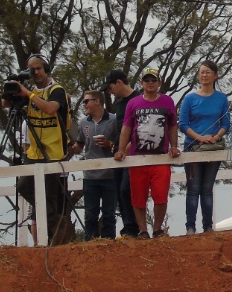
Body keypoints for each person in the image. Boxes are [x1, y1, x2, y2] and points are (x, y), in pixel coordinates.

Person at [115, 67, 181, 238]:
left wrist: (174, 146)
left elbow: (173, 124)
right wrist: (121, 150)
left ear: (159, 83)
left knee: (161, 196)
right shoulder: (133, 103)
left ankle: (158, 229)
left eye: (153, 80)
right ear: (141, 83)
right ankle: (143, 230)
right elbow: (126, 127)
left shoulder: (167, 101)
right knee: (138, 197)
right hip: (138, 158)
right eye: (147, 80)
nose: (150, 83)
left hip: (160, 157)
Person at [179, 60, 231, 234]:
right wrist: (199, 137)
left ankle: (208, 226)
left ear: (216, 75)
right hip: (192, 147)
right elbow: (183, 124)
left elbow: (226, 123)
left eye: (208, 72)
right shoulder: (190, 98)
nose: (204, 75)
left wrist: (215, 137)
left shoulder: (222, 98)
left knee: (207, 188)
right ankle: (190, 227)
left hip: (213, 148)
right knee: (193, 189)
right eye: (201, 72)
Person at [70, 90, 119, 240]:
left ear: (97, 101)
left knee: (109, 213)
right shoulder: (83, 122)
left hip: (110, 174)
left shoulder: (114, 120)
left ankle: (108, 242)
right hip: (90, 175)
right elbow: (80, 144)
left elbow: (122, 145)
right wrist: (74, 148)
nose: (84, 105)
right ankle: (89, 242)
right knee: (90, 213)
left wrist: (109, 144)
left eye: (86, 101)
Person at [103, 70, 141, 239]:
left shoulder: (139, 99)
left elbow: (142, 125)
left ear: (119, 82)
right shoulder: (119, 104)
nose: (109, 91)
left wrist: (132, 143)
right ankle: (127, 227)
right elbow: (120, 128)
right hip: (119, 152)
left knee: (127, 188)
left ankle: (134, 227)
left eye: (110, 87)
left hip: (134, 152)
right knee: (119, 190)